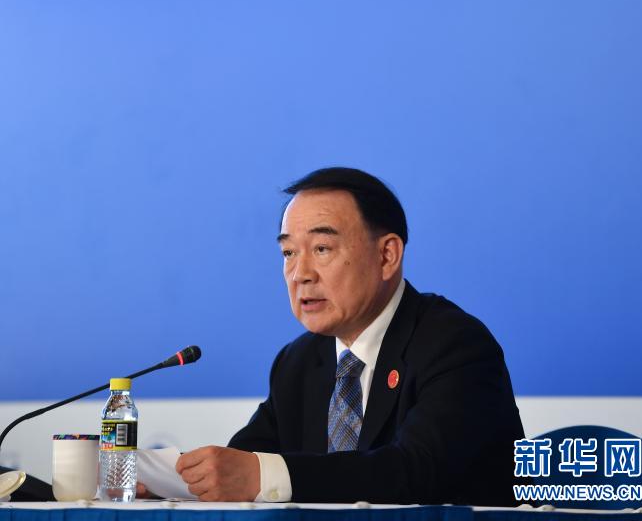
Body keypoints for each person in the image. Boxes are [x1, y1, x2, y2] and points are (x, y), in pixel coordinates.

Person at [173, 167, 524, 504]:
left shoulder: (455, 345)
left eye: (321, 249)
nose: (299, 274)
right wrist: (170, 481)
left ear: (387, 255)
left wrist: (266, 476)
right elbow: (241, 463)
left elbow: (416, 471)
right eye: (289, 253)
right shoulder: (299, 361)